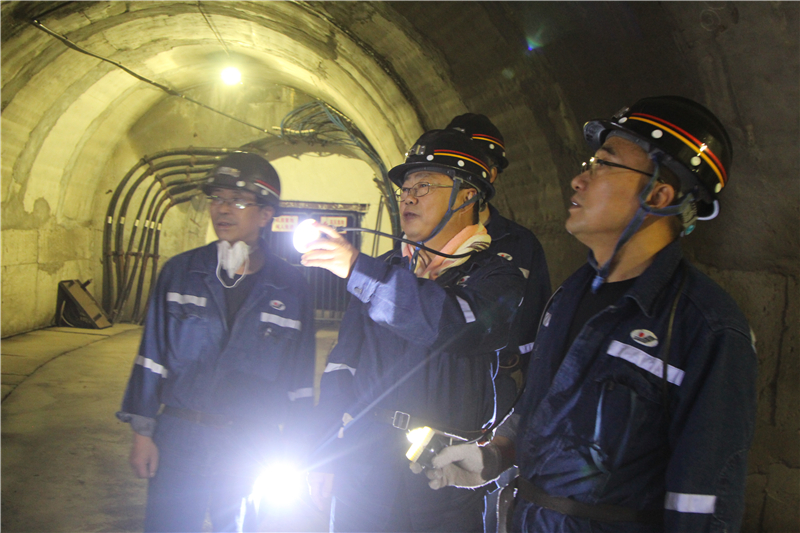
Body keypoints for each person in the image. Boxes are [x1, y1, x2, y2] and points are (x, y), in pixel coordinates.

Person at [417, 96, 758, 533]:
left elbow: (703, 505)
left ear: (657, 195)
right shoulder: (570, 295)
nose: (578, 180)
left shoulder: (707, 329)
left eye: (603, 165)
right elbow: (543, 407)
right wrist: (494, 454)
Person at [302, 129, 526, 532]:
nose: (408, 197)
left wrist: (361, 273)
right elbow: (342, 366)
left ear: (467, 196)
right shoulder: (385, 269)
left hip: (444, 474)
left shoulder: (497, 276)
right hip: (365, 466)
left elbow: (457, 324)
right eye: (405, 188)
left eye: (423, 186)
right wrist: (324, 452)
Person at [116, 152, 316, 532]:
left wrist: (299, 449)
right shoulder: (181, 272)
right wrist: (142, 434)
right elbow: (151, 357)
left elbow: (299, 381)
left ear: (265, 214)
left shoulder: (291, 287)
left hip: (251, 443)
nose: (222, 209)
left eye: (238, 201)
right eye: (217, 198)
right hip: (181, 436)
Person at [445, 113, 551, 422]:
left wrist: (520, 416)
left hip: (495, 392)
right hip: (429, 387)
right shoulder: (416, 244)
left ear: (489, 174)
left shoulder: (520, 245)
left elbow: (536, 330)